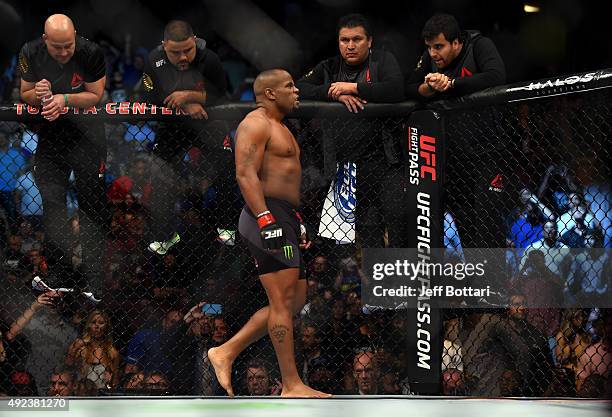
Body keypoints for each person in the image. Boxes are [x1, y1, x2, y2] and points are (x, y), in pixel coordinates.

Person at [208, 69, 331, 398]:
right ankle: (291, 384)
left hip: (285, 215)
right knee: (280, 301)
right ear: (271, 93)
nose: (296, 91)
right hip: (266, 214)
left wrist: (296, 221)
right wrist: (265, 217)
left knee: (294, 301)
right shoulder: (255, 123)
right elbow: (244, 172)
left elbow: (286, 179)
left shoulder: (282, 127)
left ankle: (226, 351)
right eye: (290, 86)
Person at [296, 13, 408, 248]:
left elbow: (397, 89)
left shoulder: (382, 61)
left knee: (398, 224)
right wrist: (331, 91)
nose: (350, 45)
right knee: (368, 236)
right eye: (344, 40)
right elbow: (298, 88)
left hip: (387, 163)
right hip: (347, 169)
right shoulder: (329, 67)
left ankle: (403, 283)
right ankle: (378, 285)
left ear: (370, 41)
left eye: (356, 39)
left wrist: (354, 87)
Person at [19, 14, 107, 295]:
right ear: (45, 41)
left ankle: (95, 280)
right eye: (57, 47)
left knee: (91, 207)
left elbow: (96, 95)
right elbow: (25, 95)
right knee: (53, 204)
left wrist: (64, 99)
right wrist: (40, 93)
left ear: (75, 36)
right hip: (52, 137)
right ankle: (60, 276)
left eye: (68, 45)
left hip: (88, 137)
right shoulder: (30, 52)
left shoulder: (90, 52)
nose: (64, 52)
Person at [141, 20, 228, 255]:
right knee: (160, 178)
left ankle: (227, 225)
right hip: (172, 126)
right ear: (164, 46)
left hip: (206, 122)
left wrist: (189, 96)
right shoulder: (154, 61)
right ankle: (167, 235)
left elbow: (223, 95)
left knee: (227, 167)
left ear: (195, 42)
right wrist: (184, 105)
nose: (182, 57)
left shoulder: (209, 59)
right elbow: (148, 98)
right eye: (175, 52)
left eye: (188, 50)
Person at [405, 13, 505, 99]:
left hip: (483, 118)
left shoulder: (479, 45)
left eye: (438, 46)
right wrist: (430, 87)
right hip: (447, 120)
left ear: (455, 43)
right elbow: (409, 88)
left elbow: (496, 76)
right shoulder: (429, 55)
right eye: (429, 47)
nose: (432, 53)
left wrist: (450, 83)